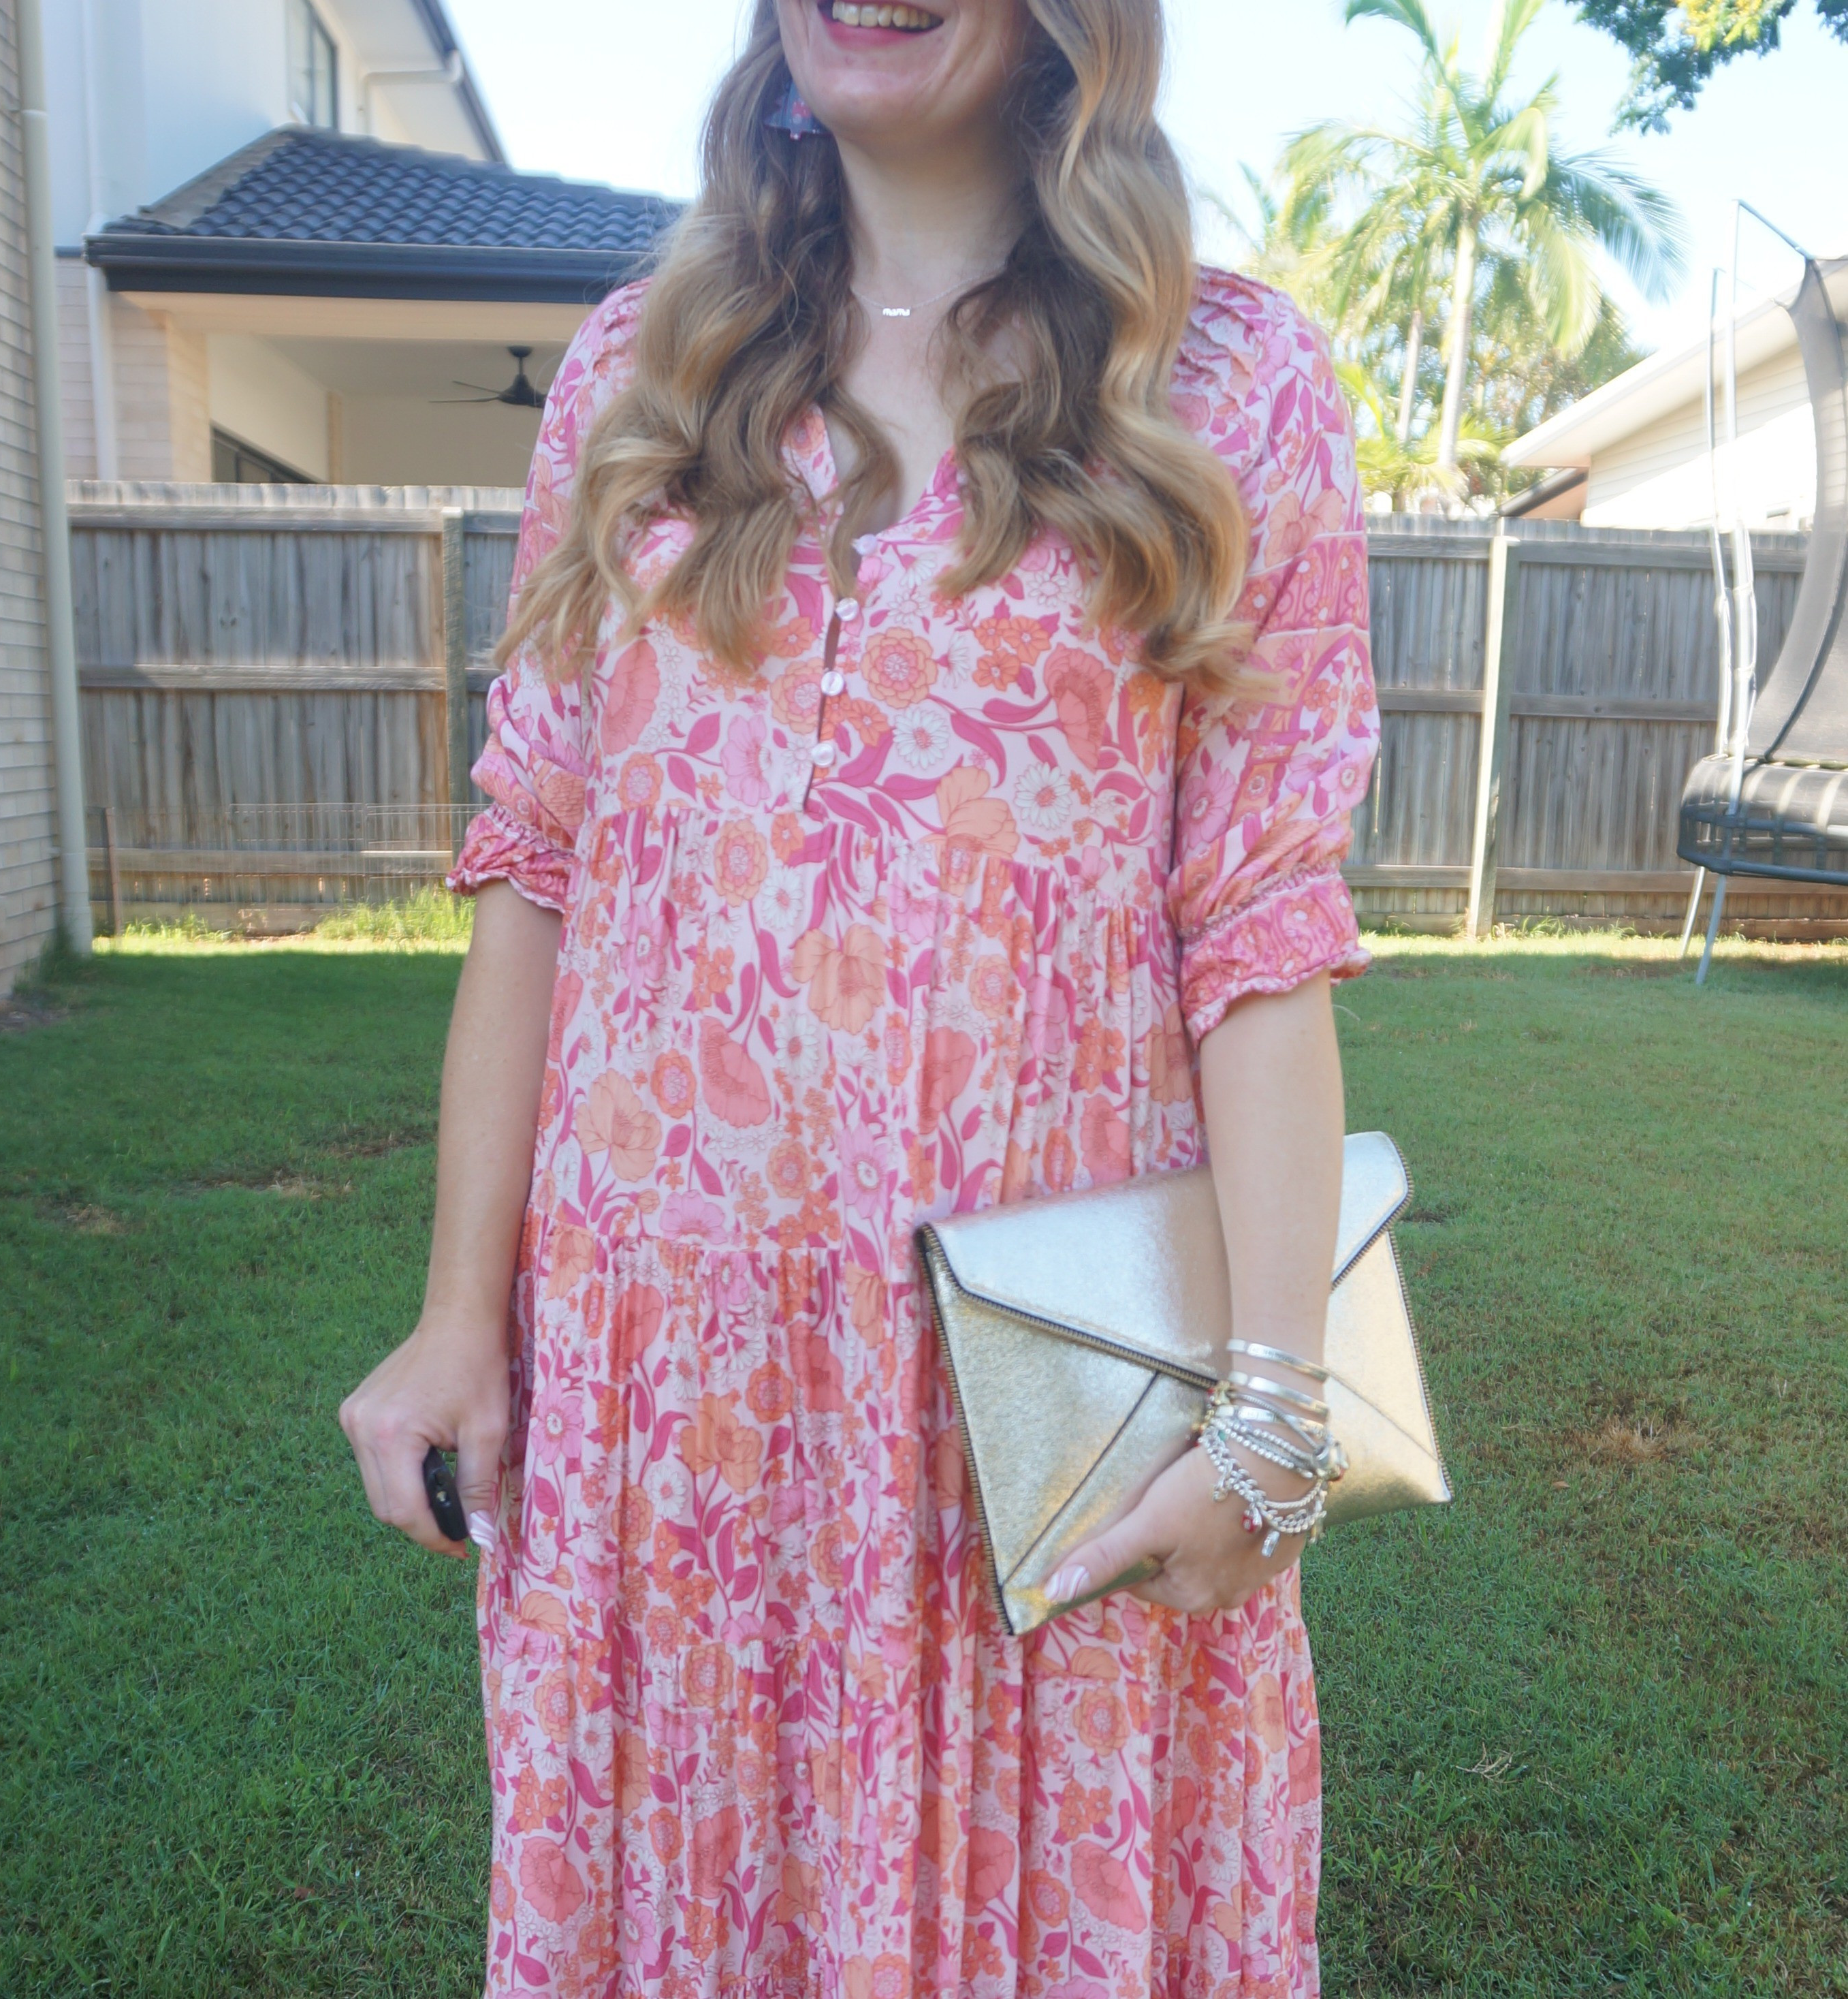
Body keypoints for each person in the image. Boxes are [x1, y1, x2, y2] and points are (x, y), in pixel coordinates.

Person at [340, 0, 1374, 1992]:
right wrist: (461, 1315)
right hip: (680, 1406)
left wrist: (1273, 1422)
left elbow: (1258, 928)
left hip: (1042, 1393)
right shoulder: (640, 376)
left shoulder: (1229, 381)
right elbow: (536, 858)